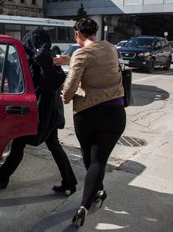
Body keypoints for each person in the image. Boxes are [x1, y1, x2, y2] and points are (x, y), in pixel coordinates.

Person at [0, 28, 78, 196]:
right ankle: (68, 182)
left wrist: (45, 61)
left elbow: (57, 80)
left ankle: (69, 181)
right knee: (22, 144)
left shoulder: (48, 58)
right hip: (33, 110)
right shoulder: (28, 58)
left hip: (48, 112)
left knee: (47, 146)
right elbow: (16, 71)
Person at [60, 18, 126, 227]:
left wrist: (65, 96)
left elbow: (70, 88)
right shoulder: (111, 48)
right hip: (115, 113)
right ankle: (96, 193)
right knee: (99, 160)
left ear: (77, 34)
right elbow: (99, 64)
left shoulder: (81, 53)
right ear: (94, 33)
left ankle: (84, 205)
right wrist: (69, 60)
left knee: (91, 160)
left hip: (88, 114)